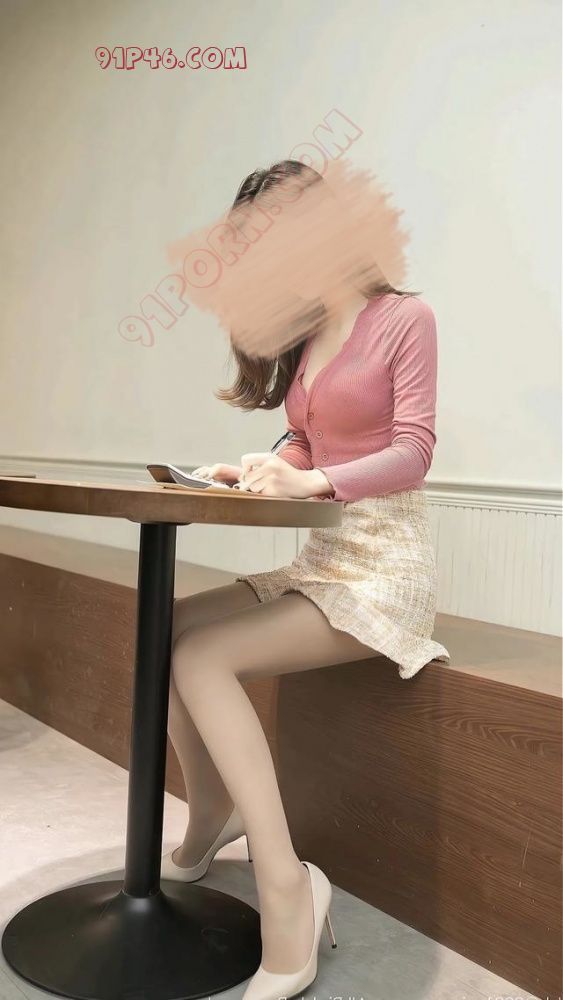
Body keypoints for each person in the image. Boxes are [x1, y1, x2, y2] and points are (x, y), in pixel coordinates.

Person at [161, 160, 451, 1000]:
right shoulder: (304, 332)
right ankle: (209, 813)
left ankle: (286, 884)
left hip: (384, 567)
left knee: (201, 657)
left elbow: (413, 450)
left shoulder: (404, 317)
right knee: (167, 625)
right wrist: (262, 465)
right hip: (324, 559)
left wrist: (314, 480)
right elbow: (309, 438)